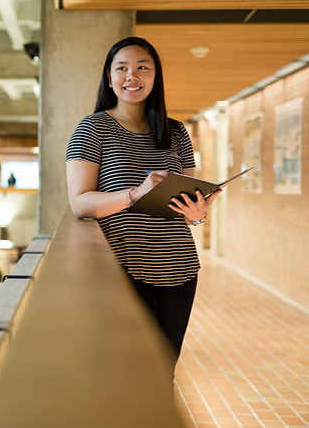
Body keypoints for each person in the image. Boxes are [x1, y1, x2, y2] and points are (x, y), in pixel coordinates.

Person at [65, 37, 222, 377]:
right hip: (124, 266)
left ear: (155, 77)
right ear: (109, 77)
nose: (131, 76)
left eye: (142, 68)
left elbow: (185, 199)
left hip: (179, 268)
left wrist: (198, 214)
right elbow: (79, 203)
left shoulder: (177, 132)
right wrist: (135, 193)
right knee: (132, 374)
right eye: (121, 68)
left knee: (163, 372)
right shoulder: (93, 128)